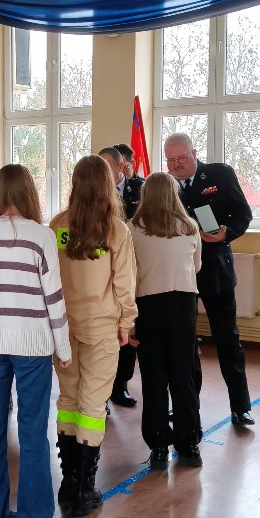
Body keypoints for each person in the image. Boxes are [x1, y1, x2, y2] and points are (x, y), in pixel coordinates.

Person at [0, 164, 71, 518]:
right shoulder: (41, 236)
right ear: (30, 193)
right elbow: (53, 297)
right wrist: (64, 348)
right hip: (32, 345)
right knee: (32, 432)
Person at [51, 155, 137, 516]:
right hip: (101, 328)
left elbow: (49, 279)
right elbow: (124, 284)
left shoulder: (58, 225)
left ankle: (69, 482)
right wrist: (126, 323)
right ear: (107, 185)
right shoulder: (116, 230)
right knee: (92, 405)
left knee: (68, 398)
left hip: (62, 328)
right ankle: (86, 489)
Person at [164, 133, 254, 426]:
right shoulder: (165, 185)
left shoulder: (219, 175)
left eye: (182, 158)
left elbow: (243, 213)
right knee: (184, 343)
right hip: (181, 273)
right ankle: (187, 407)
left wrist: (227, 232)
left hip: (215, 269)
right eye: (170, 160)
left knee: (227, 339)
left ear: (194, 153)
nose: (176, 165)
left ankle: (240, 406)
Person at [129, 172, 202, 469]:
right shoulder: (190, 226)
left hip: (148, 305)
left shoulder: (133, 228)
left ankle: (158, 444)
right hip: (183, 304)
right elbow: (196, 266)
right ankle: (189, 443)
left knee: (154, 377)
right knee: (184, 375)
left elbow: (130, 272)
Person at [99, 145, 139, 409]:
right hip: (101, 267)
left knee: (126, 332)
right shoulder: (95, 190)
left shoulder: (140, 188)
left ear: (120, 165)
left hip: (131, 264)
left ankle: (120, 386)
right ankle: (100, 394)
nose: (102, 170)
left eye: (106, 165)